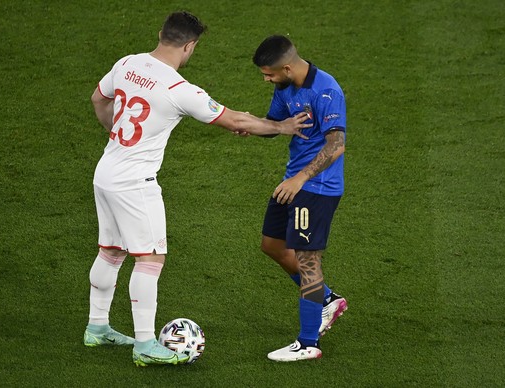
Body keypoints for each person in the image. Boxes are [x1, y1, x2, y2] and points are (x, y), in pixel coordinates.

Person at [83, 12, 311, 367]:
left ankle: (97, 327)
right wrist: (281, 128)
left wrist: (117, 132)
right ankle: (144, 344)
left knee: (111, 251)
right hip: (135, 182)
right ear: (190, 46)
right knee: (149, 258)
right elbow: (235, 120)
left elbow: (99, 100)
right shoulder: (179, 90)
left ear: (161, 34)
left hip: (106, 172)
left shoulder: (127, 63)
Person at [251, 35, 348, 362]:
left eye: (269, 74)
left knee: (307, 260)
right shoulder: (285, 87)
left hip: (316, 187)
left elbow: (336, 145)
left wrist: (301, 178)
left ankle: (308, 343)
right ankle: (327, 299)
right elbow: (274, 124)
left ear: (287, 67)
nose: (266, 79)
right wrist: (255, 126)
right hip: (293, 182)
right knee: (272, 244)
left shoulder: (327, 91)